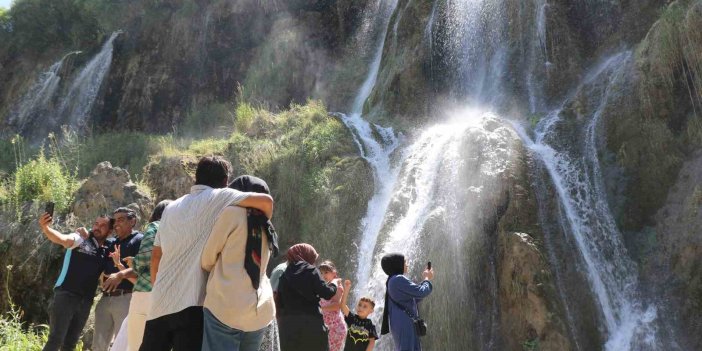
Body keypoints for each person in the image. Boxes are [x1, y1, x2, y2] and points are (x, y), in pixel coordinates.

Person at [140, 156, 274, 351]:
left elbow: (156, 256)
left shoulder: (170, 208)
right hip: (193, 304)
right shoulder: (221, 197)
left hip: (160, 302)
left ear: (197, 177)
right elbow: (266, 202)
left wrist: (159, 290)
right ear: (225, 181)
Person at [201, 175, 279, 351]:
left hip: (226, 306)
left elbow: (207, 259)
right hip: (259, 313)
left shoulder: (231, 214)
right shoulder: (267, 224)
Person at [38, 212, 113, 351]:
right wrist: (46, 229)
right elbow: (63, 239)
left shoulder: (108, 248)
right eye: (96, 223)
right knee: (55, 340)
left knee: (70, 344)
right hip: (66, 294)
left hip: (86, 301)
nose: (98, 227)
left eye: (103, 225)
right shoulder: (81, 238)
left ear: (110, 231)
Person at [110, 200, 172, 351]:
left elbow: (145, 256)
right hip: (168, 294)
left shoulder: (156, 226)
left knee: (135, 344)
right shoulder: (178, 230)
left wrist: (135, 263)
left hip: (145, 293)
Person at [94, 207, 144, 351]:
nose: (116, 224)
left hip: (126, 298)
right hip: (104, 299)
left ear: (132, 221)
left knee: (123, 346)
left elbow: (143, 269)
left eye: (121, 220)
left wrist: (120, 271)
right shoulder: (110, 243)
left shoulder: (139, 240)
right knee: (98, 345)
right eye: (115, 221)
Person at [277, 243, 337, 351]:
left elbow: (279, 303)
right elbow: (326, 293)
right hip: (311, 326)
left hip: (288, 329)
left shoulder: (284, 275)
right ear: (307, 255)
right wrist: (334, 284)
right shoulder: (311, 271)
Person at [380, 253, 433, 351]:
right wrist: (427, 279)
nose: (407, 264)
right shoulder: (398, 279)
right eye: (404, 262)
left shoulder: (392, 280)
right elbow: (421, 292)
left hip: (401, 323)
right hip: (405, 324)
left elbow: (413, 297)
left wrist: (424, 283)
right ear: (397, 264)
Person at [340, 280, 378, 351]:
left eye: (365, 306)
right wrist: (346, 290)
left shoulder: (370, 325)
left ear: (371, 311)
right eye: (359, 305)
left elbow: (372, 342)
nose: (361, 308)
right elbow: (343, 305)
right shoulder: (352, 318)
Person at [318, 261, 346, 351]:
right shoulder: (327, 286)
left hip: (336, 329)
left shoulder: (338, 287)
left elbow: (338, 305)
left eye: (326, 272)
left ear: (334, 273)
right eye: (321, 273)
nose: (323, 275)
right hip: (329, 327)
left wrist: (320, 308)